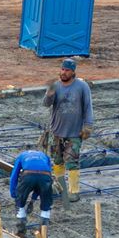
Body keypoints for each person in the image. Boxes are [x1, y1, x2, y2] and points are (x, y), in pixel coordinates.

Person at [42, 57, 92, 191]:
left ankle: (73, 191)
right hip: (56, 132)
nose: (63, 72)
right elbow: (46, 104)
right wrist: (49, 93)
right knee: (57, 162)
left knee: (72, 163)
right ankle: (60, 187)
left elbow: (88, 107)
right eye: (62, 69)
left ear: (73, 72)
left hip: (74, 133)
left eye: (67, 70)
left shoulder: (82, 87)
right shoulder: (56, 86)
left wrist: (87, 126)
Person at [9, 147, 56, 230]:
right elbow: (42, 180)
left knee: (21, 199)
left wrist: (15, 195)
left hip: (28, 176)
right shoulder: (44, 156)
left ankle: (21, 224)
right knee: (46, 200)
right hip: (45, 177)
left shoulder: (21, 156)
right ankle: (44, 225)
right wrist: (33, 200)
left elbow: (14, 176)